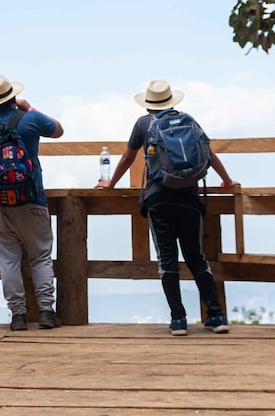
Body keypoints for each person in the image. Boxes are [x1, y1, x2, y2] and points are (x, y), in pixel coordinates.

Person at [96, 79, 238, 336]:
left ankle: (179, 320)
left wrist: (111, 184)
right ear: (172, 101)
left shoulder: (143, 123)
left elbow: (128, 157)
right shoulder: (189, 120)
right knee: (196, 257)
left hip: (159, 197)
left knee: (167, 259)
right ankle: (216, 316)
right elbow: (209, 153)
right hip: (190, 197)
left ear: (148, 104)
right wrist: (227, 180)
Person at [0, 76, 64, 331]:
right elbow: (58, 129)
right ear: (12, 97)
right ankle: (45, 312)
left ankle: (18, 316)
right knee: (41, 256)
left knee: (8, 259)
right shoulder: (30, 119)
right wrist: (29, 108)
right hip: (32, 199)